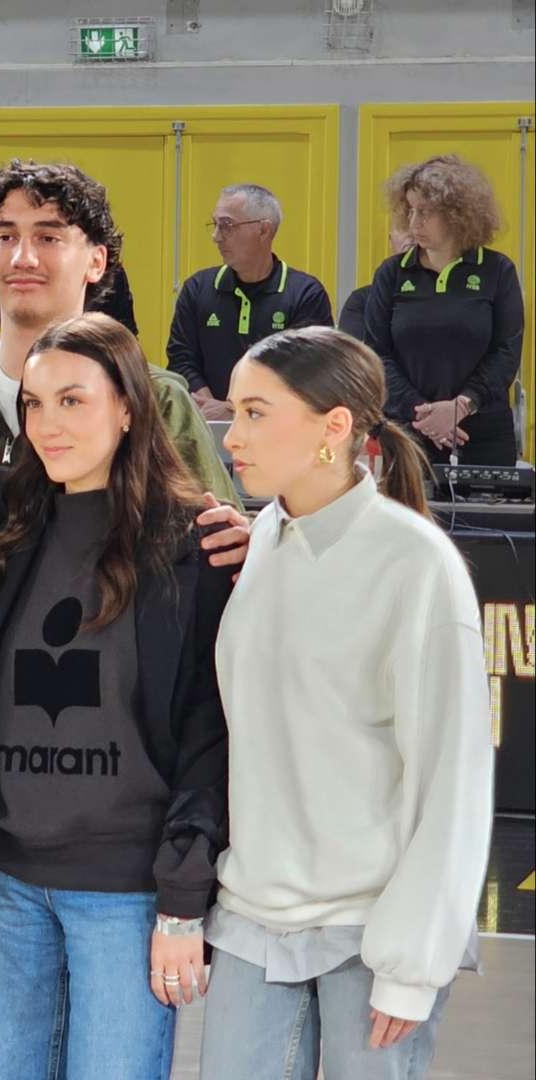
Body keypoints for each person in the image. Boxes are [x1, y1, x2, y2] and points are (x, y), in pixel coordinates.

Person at [201, 327, 491, 1079]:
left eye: (258, 413)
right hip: (251, 919)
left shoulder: (416, 565)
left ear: (334, 428)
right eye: (233, 411)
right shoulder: (264, 535)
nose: (234, 436)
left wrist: (411, 962)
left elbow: (450, 780)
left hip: (371, 929)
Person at [0, 312, 231, 1080]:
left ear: (128, 406)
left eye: (73, 400)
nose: (48, 424)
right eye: (35, 404)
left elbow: (210, 735)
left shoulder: (192, 542)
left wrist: (182, 899)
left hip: (127, 893)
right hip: (4, 888)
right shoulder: (7, 524)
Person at [0, 159, 237, 507]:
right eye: (5, 236)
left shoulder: (154, 400)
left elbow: (217, 540)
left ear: (96, 262)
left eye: (48, 237)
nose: (23, 257)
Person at [361, 154, 525, 465]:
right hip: (407, 431)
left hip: (483, 433)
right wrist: (423, 413)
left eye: (425, 212)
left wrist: (461, 406)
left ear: (456, 215)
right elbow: (377, 353)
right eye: (410, 211)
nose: (413, 223)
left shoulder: (497, 270)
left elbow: (506, 352)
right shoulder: (392, 273)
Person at [167, 183, 333, 417]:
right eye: (215, 225)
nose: (216, 237)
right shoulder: (197, 288)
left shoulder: (305, 293)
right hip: (207, 423)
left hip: (279, 429)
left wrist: (237, 410)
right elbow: (181, 358)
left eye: (226, 226)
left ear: (263, 230)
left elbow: (307, 373)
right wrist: (210, 408)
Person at [338, 225, 413, 343]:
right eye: (403, 227)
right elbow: (356, 355)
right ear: (390, 239)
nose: (411, 234)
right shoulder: (361, 301)